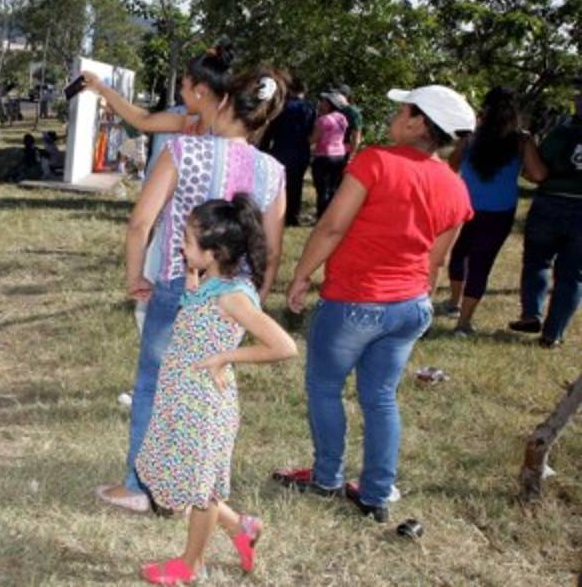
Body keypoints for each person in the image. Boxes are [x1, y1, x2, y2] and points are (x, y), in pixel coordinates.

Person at [83, 51, 288, 514]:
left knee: (155, 384)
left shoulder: (184, 150)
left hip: (180, 287)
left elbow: (141, 223)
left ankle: (140, 485)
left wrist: (135, 276)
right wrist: (254, 299)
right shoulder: (273, 172)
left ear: (222, 101)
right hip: (234, 297)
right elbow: (271, 251)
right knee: (204, 389)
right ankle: (191, 485)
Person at [278, 84, 475, 522]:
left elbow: (331, 227)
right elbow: (435, 262)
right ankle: (376, 493)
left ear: (418, 121)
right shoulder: (457, 188)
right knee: (381, 397)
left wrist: (301, 275)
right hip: (409, 307)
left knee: (325, 388)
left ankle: (327, 476)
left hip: (355, 299)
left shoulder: (375, 161)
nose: (394, 115)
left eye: (402, 108)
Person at [137, 195, 298, 585]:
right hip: (182, 395)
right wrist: (194, 281)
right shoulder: (213, 281)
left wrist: (226, 356)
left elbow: (283, 346)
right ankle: (241, 527)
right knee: (196, 479)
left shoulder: (233, 295)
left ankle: (189, 566)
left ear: (215, 252)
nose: (182, 247)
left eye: (190, 243)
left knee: (202, 490)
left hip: (202, 403)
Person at [441, 87, 539, 335]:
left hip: (466, 205)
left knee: (459, 253)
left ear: (484, 109)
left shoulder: (472, 136)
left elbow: (452, 164)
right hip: (500, 210)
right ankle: (463, 323)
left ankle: (453, 302)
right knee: (481, 263)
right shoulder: (522, 139)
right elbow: (537, 174)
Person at [509, 78, 582, 349]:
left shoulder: (562, 133)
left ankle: (531, 313)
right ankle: (553, 333)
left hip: (550, 203)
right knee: (573, 274)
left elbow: (535, 171)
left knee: (538, 261)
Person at [259, 76, 316, 226]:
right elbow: (312, 129)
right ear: (304, 90)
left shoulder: (281, 106)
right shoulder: (310, 108)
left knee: (278, 185)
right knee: (297, 184)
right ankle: (293, 215)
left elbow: (270, 130)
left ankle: (277, 214)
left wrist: (264, 148)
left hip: (281, 148)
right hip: (301, 149)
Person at [310, 91, 350, 218]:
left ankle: (321, 215)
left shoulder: (323, 120)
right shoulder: (342, 118)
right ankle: (332, 215)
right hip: (339, 155)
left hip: (324, 155)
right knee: (333, 187)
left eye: (324, 102)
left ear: (329, 104)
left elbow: (313, 139)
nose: (321, 104)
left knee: (322, 188)